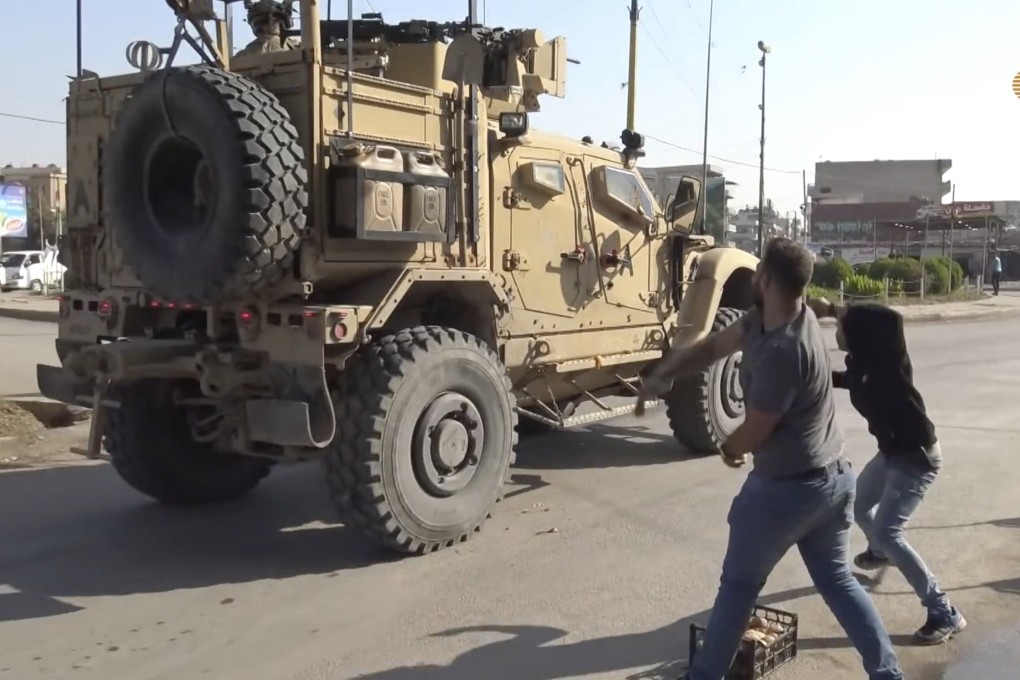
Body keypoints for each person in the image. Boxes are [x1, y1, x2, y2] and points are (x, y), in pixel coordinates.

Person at [639, 238, 902, 680]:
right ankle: (887, 673)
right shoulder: (778, 318)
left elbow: (757, 428)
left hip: (790, 491)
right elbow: (710, 349)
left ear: (764, 279)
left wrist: (730, 448)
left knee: (739, 587)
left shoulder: (785, 349)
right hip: (835, 482)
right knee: (837, 581)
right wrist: (664, 374)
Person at [808, 296, 967, 645]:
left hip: (916, 458)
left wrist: (834, 308)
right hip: (891, 454)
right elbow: (847, 380)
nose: (836, 333)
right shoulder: (862, 365)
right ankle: (880, 552)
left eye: (840, 328)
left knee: (890, 531)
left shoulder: (889, 362)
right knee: (859, 506)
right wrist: (811, 373)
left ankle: (944, 612)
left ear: (860, 332)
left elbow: (890, 317)